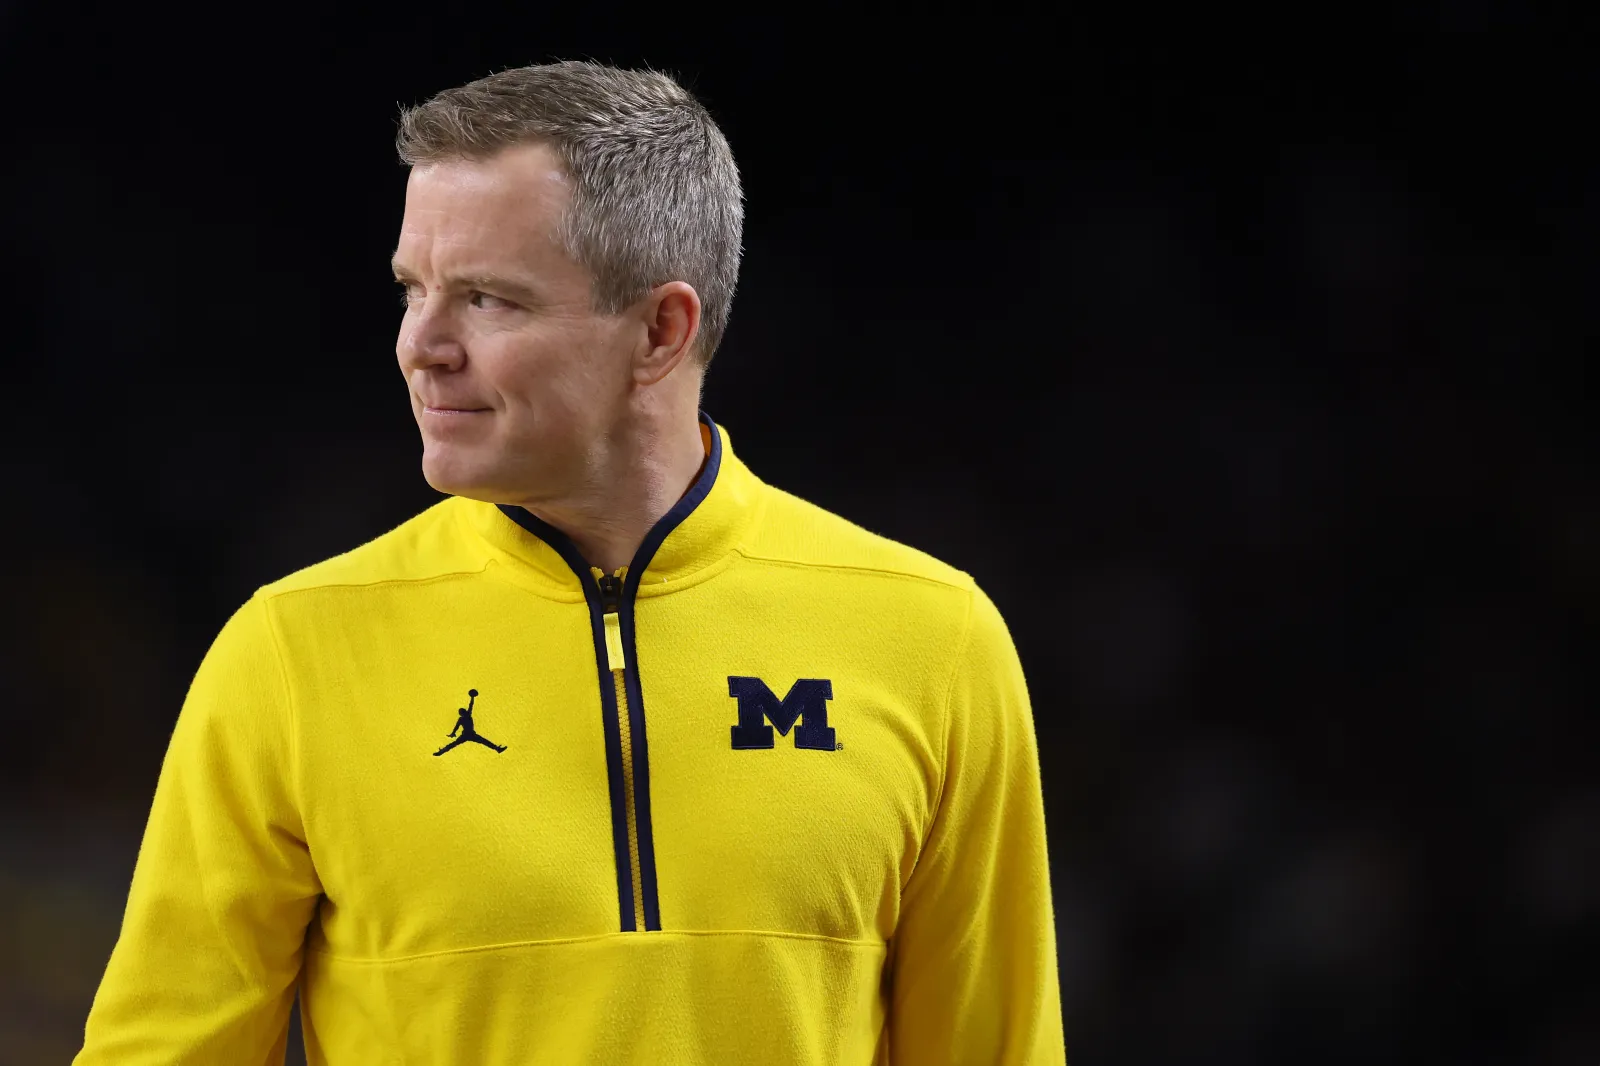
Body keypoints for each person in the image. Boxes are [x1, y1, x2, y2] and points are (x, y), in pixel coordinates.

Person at [75, 60, 1066, 1065]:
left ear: (659, 331)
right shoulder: (287, 654)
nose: (420, 345)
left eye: (488, 299)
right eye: (412, 290)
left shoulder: (932, 638)